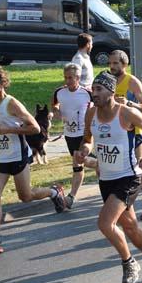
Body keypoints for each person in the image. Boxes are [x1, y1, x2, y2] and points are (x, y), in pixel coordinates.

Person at [75, 72, 142, 283]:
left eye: (98, 89)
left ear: (111, 91)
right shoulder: (91, 114)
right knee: (131, 227)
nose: (94, 93)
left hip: (128, 177)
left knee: (105, 223)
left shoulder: (125, 113)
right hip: (106, 179)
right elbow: (87, 139)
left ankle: (129, 262)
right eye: (93, 89)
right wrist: (84, 151)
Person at [0, 67, 67, 254]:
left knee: (26, 196)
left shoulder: (12, 104)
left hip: (18, 157)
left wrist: (9, 131)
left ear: (2, 84)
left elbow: (35, 128)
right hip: (0, 158)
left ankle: (54, 192)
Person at [108, 50, 142, 220]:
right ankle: (124, 205)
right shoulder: (107, 80)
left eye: (116, 63)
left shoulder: (131, 81)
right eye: (110, 63)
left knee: (138, 170)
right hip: (115, 133)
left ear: (124, 64)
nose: (112, 66)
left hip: (134, 133)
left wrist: (129, 103)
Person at [51, 63, 93, 208]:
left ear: (78, 77)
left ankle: (71, 197)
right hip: (69, 134)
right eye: (66, 77)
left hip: (84, 133)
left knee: (79, 160)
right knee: (80, 163)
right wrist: (55, 111)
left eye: (71, 78)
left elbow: (96, 108)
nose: (68, 81)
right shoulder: (60, 92)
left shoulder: (87, 93)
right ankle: (103, 166)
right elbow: (55, 104)